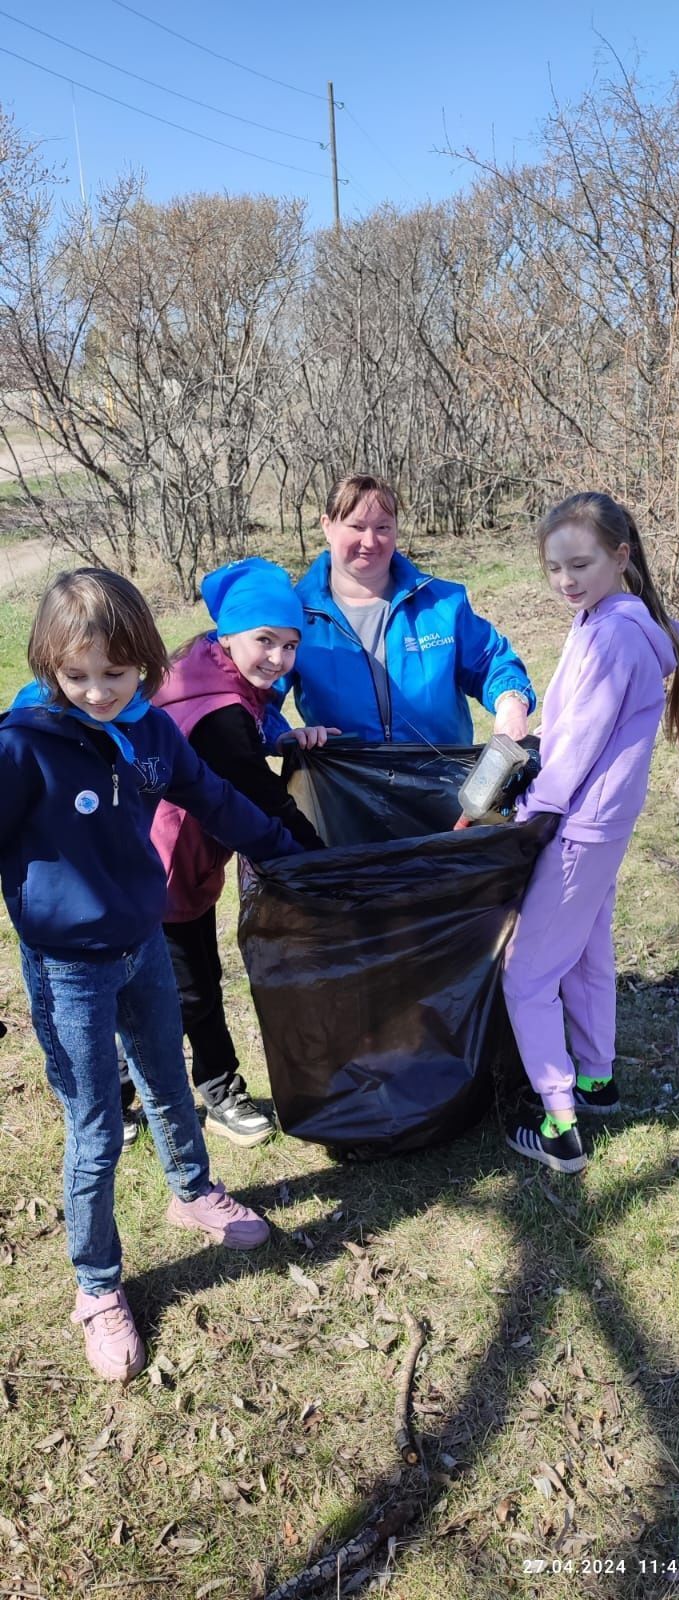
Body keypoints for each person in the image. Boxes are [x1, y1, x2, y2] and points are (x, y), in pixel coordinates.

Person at [0, 568, 305, 1382]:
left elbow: (217, 800)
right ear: (49, 667)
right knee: (97, 1126)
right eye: (77, 676)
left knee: (169, 1079)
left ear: (146, 664)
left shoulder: (152, 732)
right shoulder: (22, 745)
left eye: (117, 673)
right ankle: (97, 1285)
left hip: (145, 941)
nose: (99, 693)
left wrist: (290, 855)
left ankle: (193, 1191)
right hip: (69, 969)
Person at [502, 492, 679, 1174]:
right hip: (600, 820)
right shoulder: (602, 618)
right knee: (587, 947)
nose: (566, 580)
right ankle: (596, 1079)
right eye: (555, 568)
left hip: (580, 823)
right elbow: (573, 722)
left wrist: (531, 810)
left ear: (621, 556)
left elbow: (581, 741)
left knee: (527, 973)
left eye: (580, 564)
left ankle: (559, 1126)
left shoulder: (615, 634)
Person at [133, 557, 333, 1148]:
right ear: (229, 635)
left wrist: (278, 735)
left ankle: (130, 1091)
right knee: (189, 985)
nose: (278, 658)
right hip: (165, 868)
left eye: (290, 645)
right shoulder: (216, 709)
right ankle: (216, 1090)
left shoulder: (204, 666)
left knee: (162, 980)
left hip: (165, 861)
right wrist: (323, 865)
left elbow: (249, 720)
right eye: (264, 640)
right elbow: (260, 798)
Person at [283, 474, 535, 751]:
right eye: (357, 526)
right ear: (327, 526)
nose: (370, 541)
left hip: (445, 773)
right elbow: (258, 697)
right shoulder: (293, 614)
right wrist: (283, 734)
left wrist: (511, 701)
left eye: (382, 527)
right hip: (340, 776)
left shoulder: (443, 604)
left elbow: (490, 662)